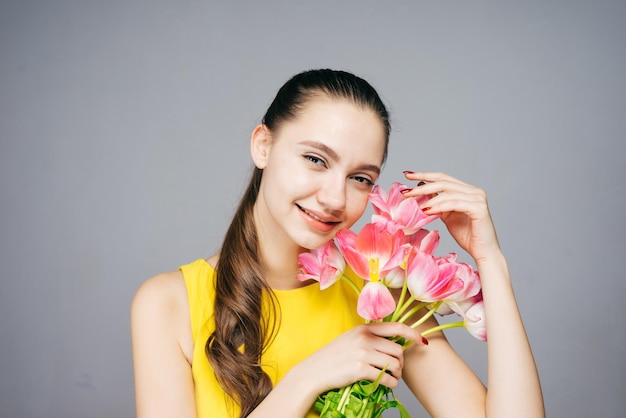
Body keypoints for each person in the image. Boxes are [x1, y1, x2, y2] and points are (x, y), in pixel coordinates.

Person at [131, 69, 544, 418]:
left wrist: (490, 259)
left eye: (360, 178)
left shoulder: (381, 295)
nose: (335, 199)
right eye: (316, 159)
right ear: (263, 145)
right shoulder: (170, 303)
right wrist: (309, 378)